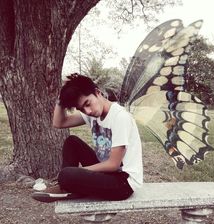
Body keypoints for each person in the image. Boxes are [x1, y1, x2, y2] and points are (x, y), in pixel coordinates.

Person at [32, 73, 143, 202]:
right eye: (82, 109)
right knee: (72, 142)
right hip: (105, 173)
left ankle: (68, 184)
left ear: (97, 92)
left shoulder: (120, 117)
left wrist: (78, 172)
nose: (88, 111)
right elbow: (59, 123)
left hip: (123, 183)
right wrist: (61, 98)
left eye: (87, 103)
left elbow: (113, 164)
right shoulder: (93, 115)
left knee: (67, 174)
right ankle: (67, 186)